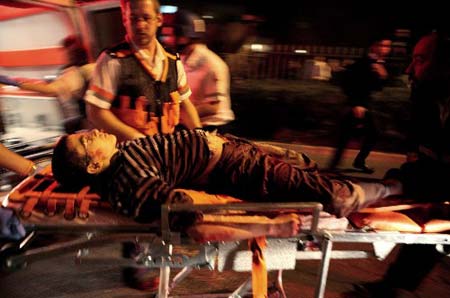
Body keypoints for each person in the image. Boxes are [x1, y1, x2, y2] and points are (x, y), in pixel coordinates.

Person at [51, 129, 402, 238]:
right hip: (233, 167)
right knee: (333, 195)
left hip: (230, 150)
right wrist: (268, 227)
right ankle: (394, 189)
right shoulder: (129, 184)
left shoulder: (120, 156)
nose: (93, 131)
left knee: (308, 172)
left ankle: (389, 190)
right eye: (85, 141)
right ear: (94, 165)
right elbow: (192, 219)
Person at [352, 31, 450, 298]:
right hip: (437, 187)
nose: (409, 68)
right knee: (423, 238)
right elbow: (427, 157)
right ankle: (395, 287)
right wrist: (397, 182)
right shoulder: (429, 99)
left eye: (420, 59)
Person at [84, 0, 202, 142]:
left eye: (146, 18)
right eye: (134, 18)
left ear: (159, 19)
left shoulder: (173, 60)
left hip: (166, 151)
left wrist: (200, 134)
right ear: (124, 19)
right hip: (128, 154)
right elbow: (96, 111)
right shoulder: (112, 60)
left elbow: (184, 103)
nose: (140, 25)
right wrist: (137, 139)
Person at [0, 35, 94, 133]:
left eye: (71, 52)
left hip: (91, 122)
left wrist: (15, 83)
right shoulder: (93, 67)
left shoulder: (75, 74)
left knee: (68, 126)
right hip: (94, 118)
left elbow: (49, 90)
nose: (69, 55)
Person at [161, 10, 235, 133]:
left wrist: (178, 114)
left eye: (171, 36)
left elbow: (213, 107)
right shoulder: (183, 59)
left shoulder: (211, 64)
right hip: (190, 126)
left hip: (212, 129)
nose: (167, 41)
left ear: (184, 37)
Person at [329, 37, 392, 173]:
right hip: (357, 103)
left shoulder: (379, 63)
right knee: (348, 134)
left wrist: (383, 77)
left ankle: (354, 162)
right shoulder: (363, 62)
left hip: (366, 104)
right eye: (382, 45)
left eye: (387, 46)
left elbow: (376, 86)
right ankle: (335, 166)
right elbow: (350, 83)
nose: (385, 49)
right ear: (373, 46)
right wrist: (356, 104)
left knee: (372, 133)